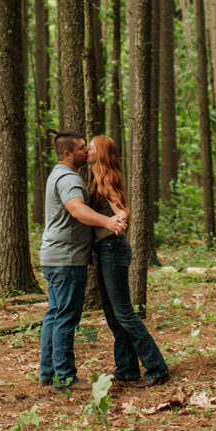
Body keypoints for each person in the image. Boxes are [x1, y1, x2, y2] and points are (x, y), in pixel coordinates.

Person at [39, 131, 127, 389]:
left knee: (55, 315)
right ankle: (64, 378)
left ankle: (48, 374)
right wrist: (108, 221)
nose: (86, 152)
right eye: (80, 148)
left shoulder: (58, 174)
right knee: (65, 317)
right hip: (66, 258)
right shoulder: (69, 179)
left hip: (56, 256)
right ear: (67, 154)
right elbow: (77, 209)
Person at [88, 135, 169, 388]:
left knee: (123, 312)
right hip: (105, 249)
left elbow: (121, 209)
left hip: (113, 248)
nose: (86, 151)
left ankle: (156, 367)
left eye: (89, 148)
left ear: (99, 152)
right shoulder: (95, 179)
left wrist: (119, 221)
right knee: (113, 314)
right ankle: (126, 369)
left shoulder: (106, 179)